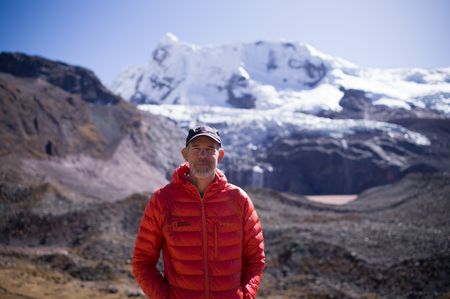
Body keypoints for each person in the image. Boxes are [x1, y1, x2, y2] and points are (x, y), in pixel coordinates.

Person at [132, 125, 265, 299]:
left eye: (210, 149)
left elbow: (255, 259)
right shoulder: (162, 200)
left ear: (221, 155)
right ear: (185, 154)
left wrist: (246, 296)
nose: (203, 155)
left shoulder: (239, 199)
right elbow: (142, 261)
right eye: (196, 149)